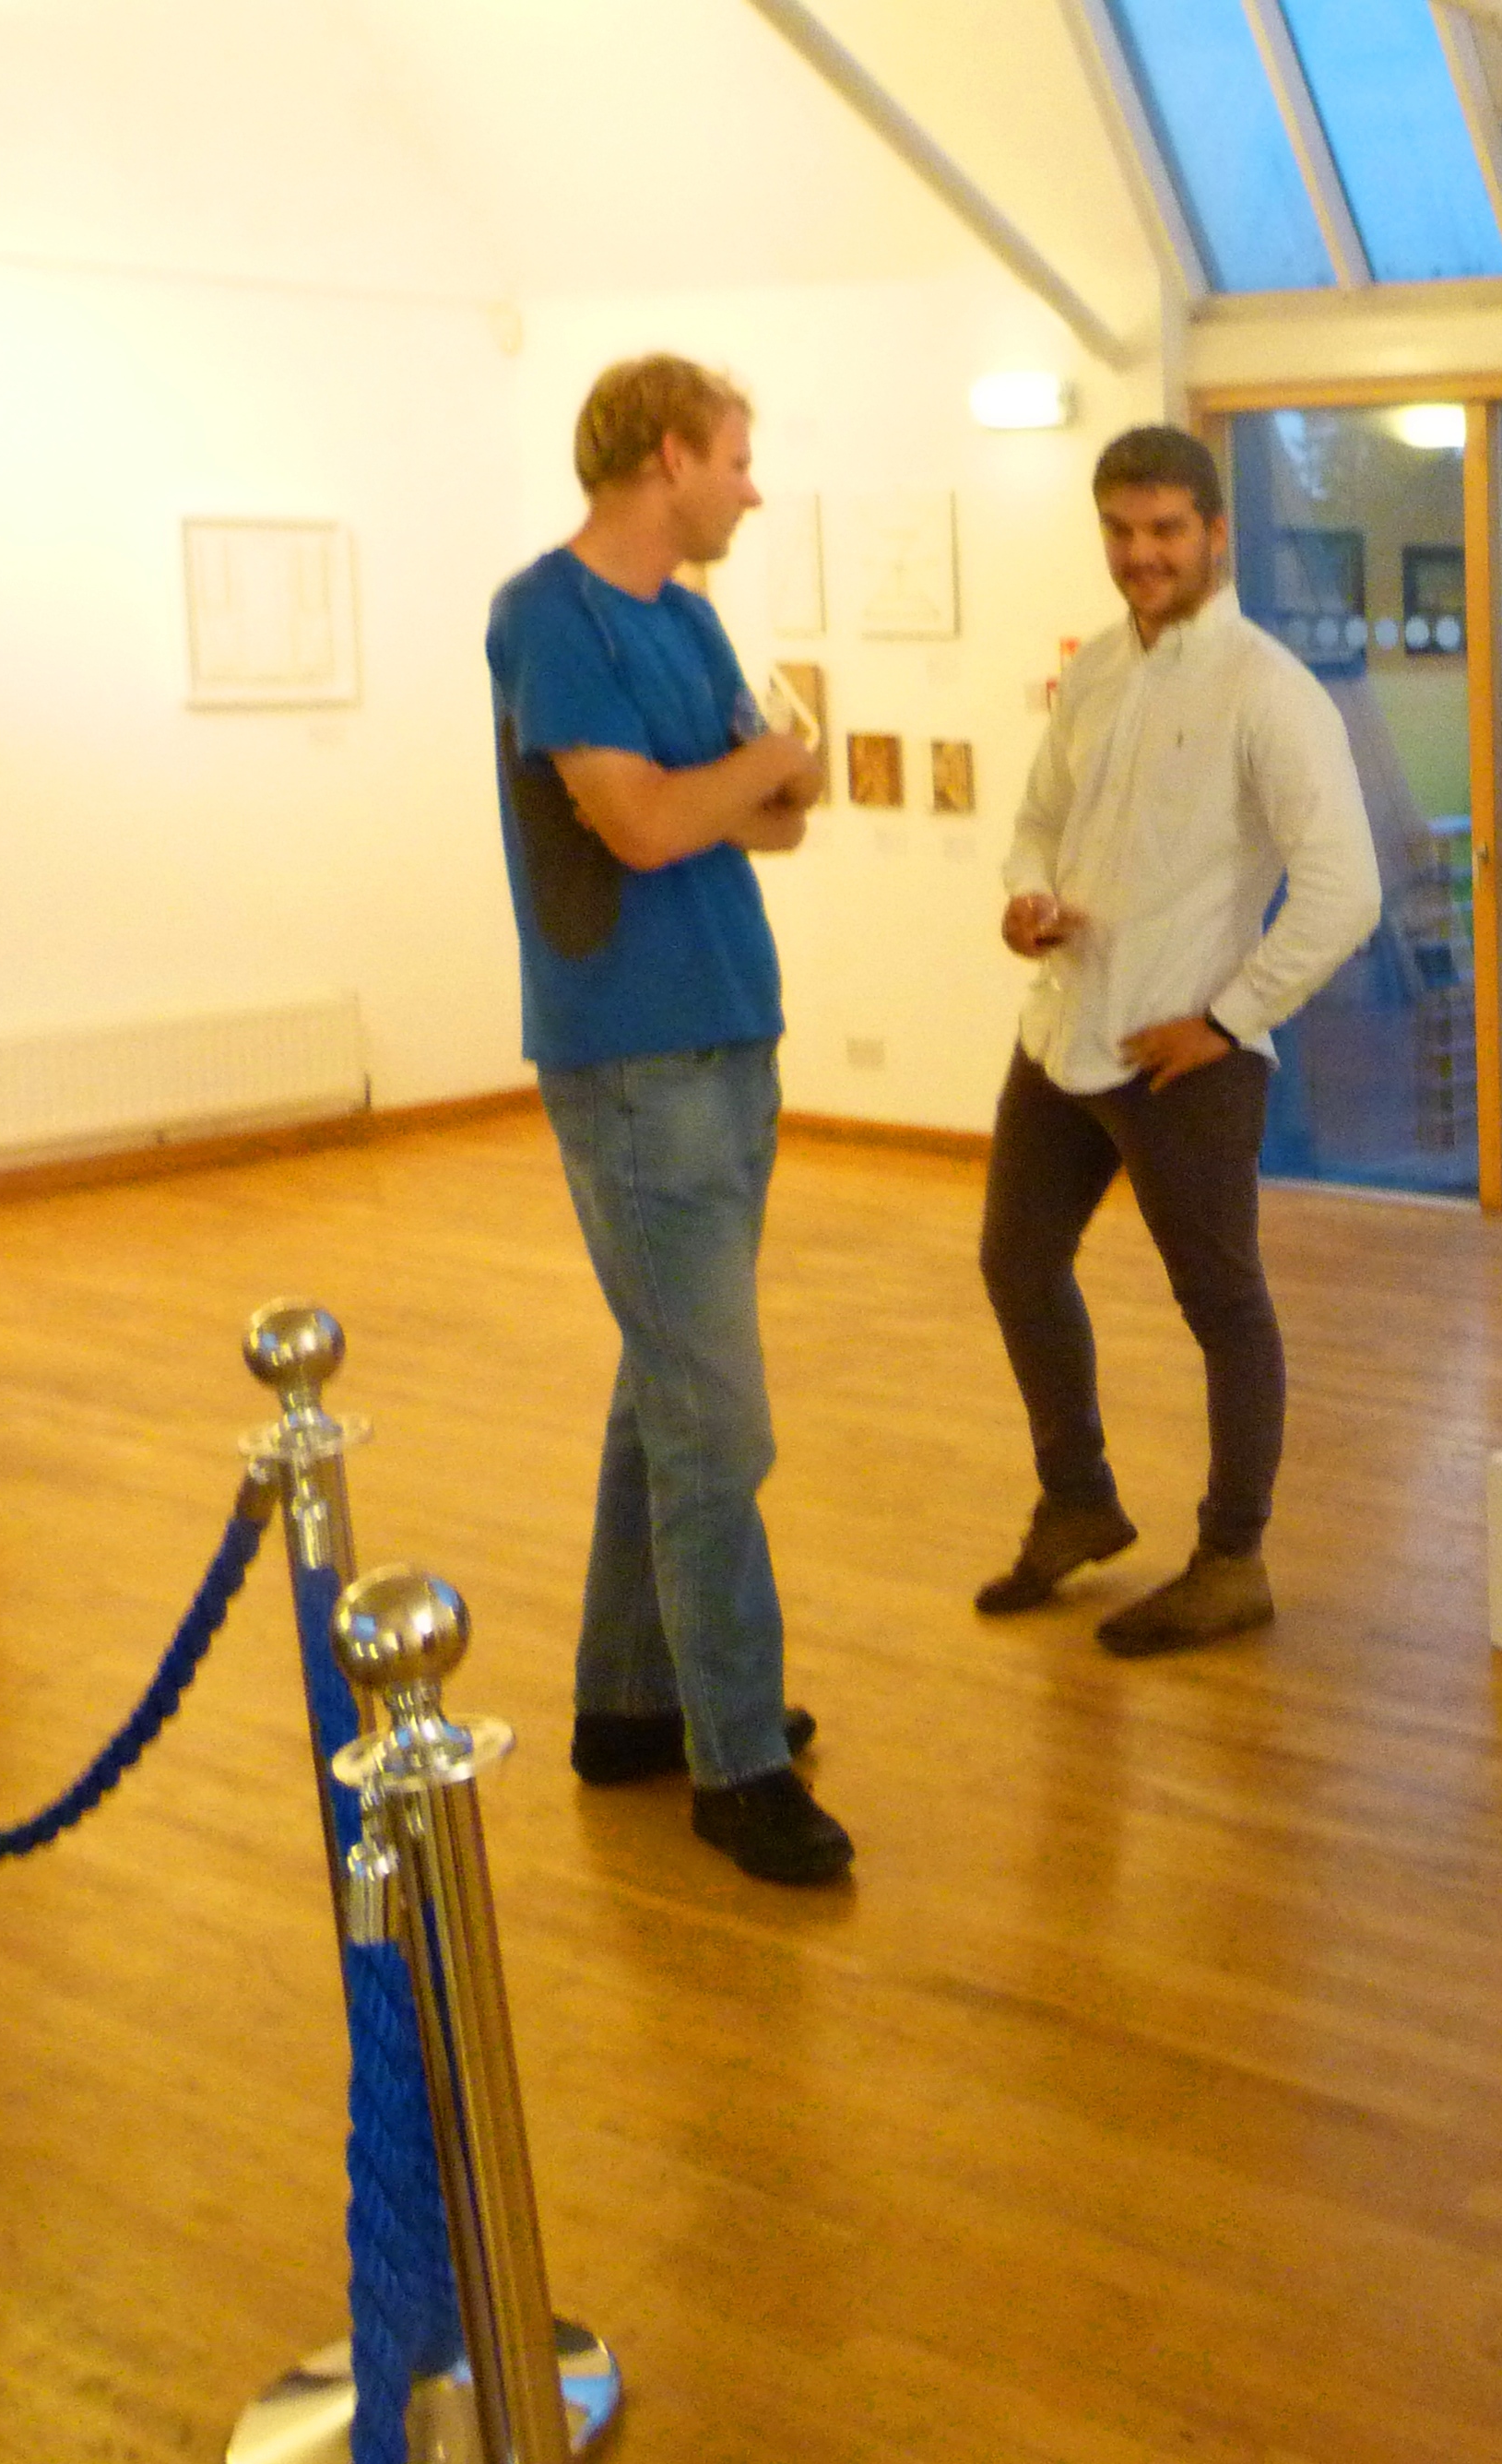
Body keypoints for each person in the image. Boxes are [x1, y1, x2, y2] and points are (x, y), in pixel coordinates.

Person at [487, 356, 846, 1886]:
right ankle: (736, 1759)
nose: (752, 489)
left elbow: (778, 822)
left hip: (730, 1035)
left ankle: (630, 1701)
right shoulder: (547, 615)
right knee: (718, 1422)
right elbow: (646, 824)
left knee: (666, 1388)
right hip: (632, 1060)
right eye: (738, 460)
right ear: (667, 458)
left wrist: (743, 782)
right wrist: (760, 761)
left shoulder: (686, 620)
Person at [971, 426, 1380, 1653]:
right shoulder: (1098, 670)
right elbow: (1038, 822)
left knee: (1223, 1307)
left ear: (1214, 534)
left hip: (1183, 1057)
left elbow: (1345, 892)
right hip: (1063, 1032)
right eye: (1121, 530)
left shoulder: (1269, 689)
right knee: (1016, 1263)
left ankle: (1233, 1561)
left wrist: (1226, 1021)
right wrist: (1028, 898)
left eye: (1165, 531)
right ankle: (1079, 1502)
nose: (1141, 554)